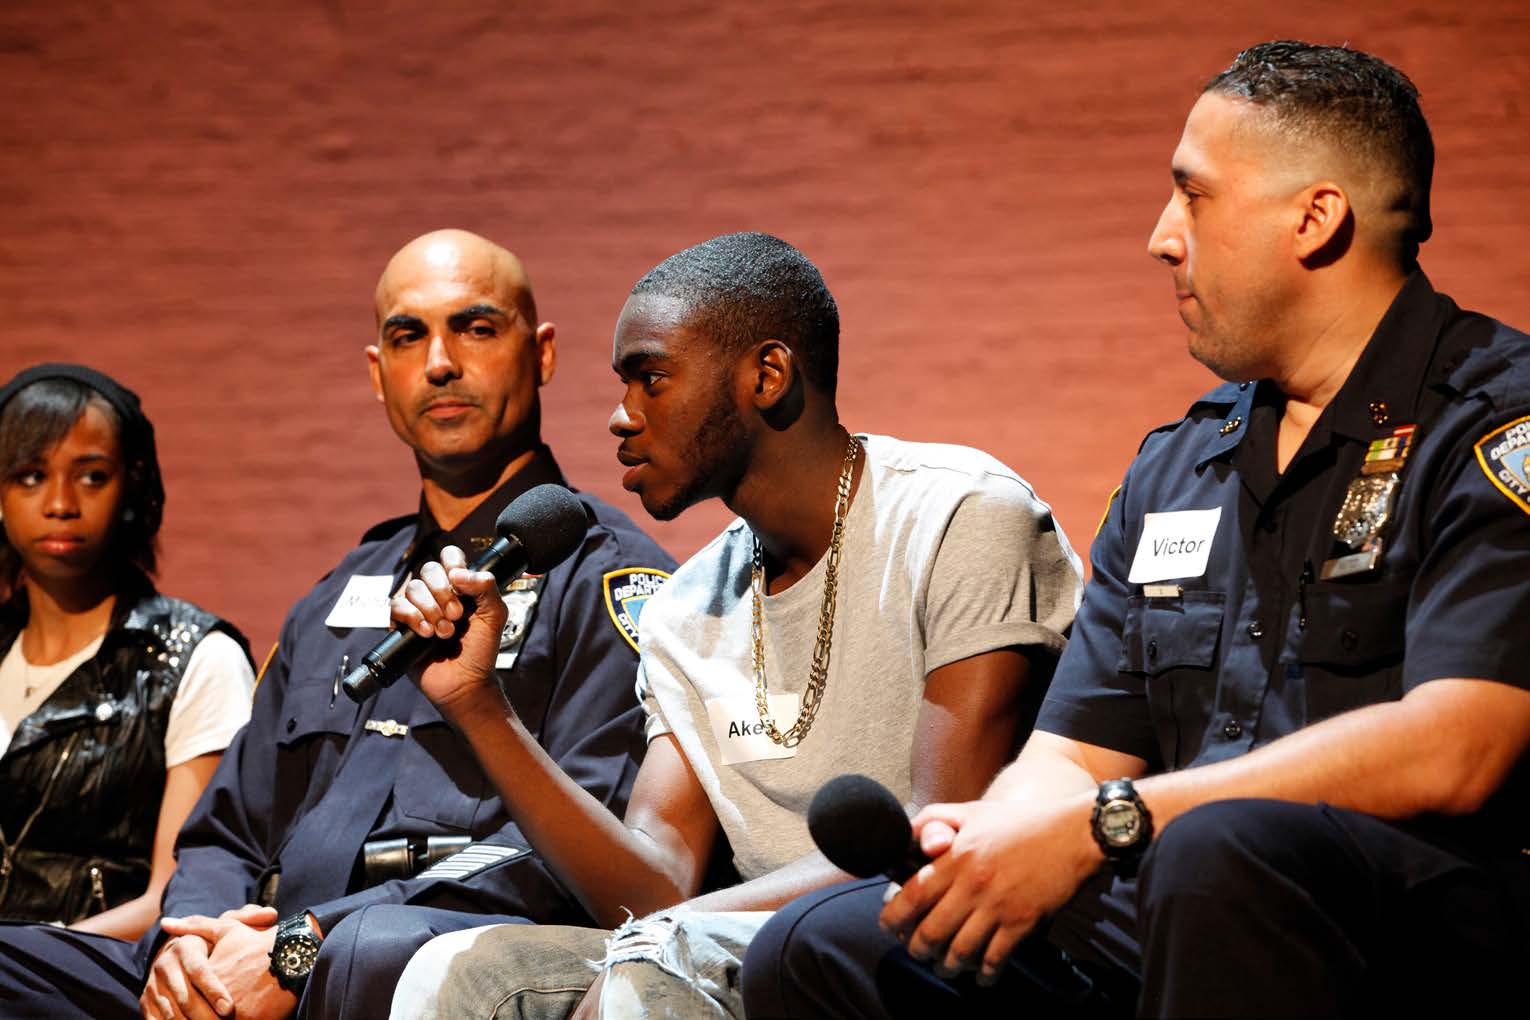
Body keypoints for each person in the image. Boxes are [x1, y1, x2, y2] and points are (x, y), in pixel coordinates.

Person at [740, 40, 1530, 1020]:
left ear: (1315, 219)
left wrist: (1107, 823)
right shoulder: (1180, 463)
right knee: (824, 945)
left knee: (1218, 852)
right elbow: (1073, 754)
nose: (1162, 237)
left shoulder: (1495, 422)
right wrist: (997, 843)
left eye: (1192, 198)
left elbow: (1460, 744)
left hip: (1424, 927)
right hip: (1180, 889)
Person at [387, 231, 1084, 1019]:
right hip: (727, 947)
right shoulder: (687, 606)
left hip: (935, 949)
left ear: (768, 375)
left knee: (649, 978)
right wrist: (478, 705)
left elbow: (933, 832)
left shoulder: (959, 516)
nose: (621, 417)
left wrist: (674, 932)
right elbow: (653, 883)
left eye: (651, 379)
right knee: (455, 971)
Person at [0, 229, 676, 1020]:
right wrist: (190, 943)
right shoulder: (337, 594)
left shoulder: (608, 576)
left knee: (371, 952)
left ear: (544, 354)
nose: (440, 363)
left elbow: (578, 846)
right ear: (376, 372)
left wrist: (309, 941)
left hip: (412, 956)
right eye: (407, 335)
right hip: (251, 958)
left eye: (476, 328)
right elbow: (226, 833)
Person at [0, 364, 254, 939]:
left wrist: (22, 959)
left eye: (90, 477)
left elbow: (183, 895)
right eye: (29, 476)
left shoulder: (195, 658)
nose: (60, 503)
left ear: (133, 485)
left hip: (94, 984)